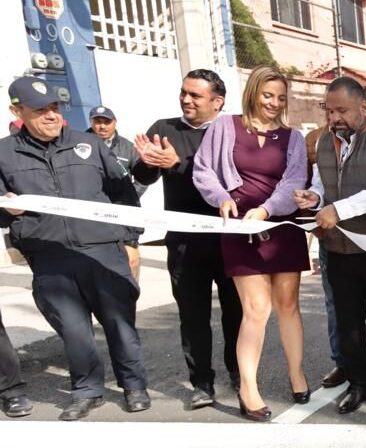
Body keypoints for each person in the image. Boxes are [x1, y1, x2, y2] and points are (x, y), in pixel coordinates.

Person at [0, 76, 148, 421]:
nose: (51, 115)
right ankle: (87, 390)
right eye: (40, 110)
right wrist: (6, 210)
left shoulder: (89, 144)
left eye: (55, 107)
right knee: (73, 329)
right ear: (17, 111)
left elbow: (122, 194)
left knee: (120, 324)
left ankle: (134, 386)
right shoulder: (3, 154)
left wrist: (130, 239)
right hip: (49, 256)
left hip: (103, 250)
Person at [193, 65, 310, 422]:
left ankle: (296, 373)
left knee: (288, 303)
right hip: (240, 228)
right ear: (253, 92)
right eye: (267, 95)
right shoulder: (224, 126)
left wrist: (267, 209)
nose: (274, 103)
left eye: (280, 98)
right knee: (256, 309)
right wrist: (220, 197)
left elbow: (295, 180)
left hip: (281, 224)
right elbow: (203, 169)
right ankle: (249, 388)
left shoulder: (294, 138)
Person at [294, 77, 366, 415]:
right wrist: (312, 198)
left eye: (341, 110)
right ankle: (359, 384)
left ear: (363, 107)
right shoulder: (324, 142)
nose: (335, 118)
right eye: (329, 111)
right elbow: (320, 185)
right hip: (338, 248)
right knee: (348, 324)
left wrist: (338, 209)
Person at [132, 69, 243, 410]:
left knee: (236, 312)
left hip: (228, 238)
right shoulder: (164, 129)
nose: (186, 100)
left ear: (217, 101)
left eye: (195, 95)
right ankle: (202, 383)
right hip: (183, 241)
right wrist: (150, 162)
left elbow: (230, 179)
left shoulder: (233, 131)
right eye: (184, 93)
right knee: (192, 316)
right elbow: (142, 176)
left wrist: (179, 164)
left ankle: (241, 375)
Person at [88, 105, 146, 279]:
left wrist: (128, 196)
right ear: (91, 123)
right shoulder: (80, 146)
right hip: (93, 212)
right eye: (97, 122)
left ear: (115, 123)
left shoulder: (128, 147)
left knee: (131, 258)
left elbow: (143, 177)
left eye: (107, 122)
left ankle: (131, 295)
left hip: (124, 212)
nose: (102, 126)